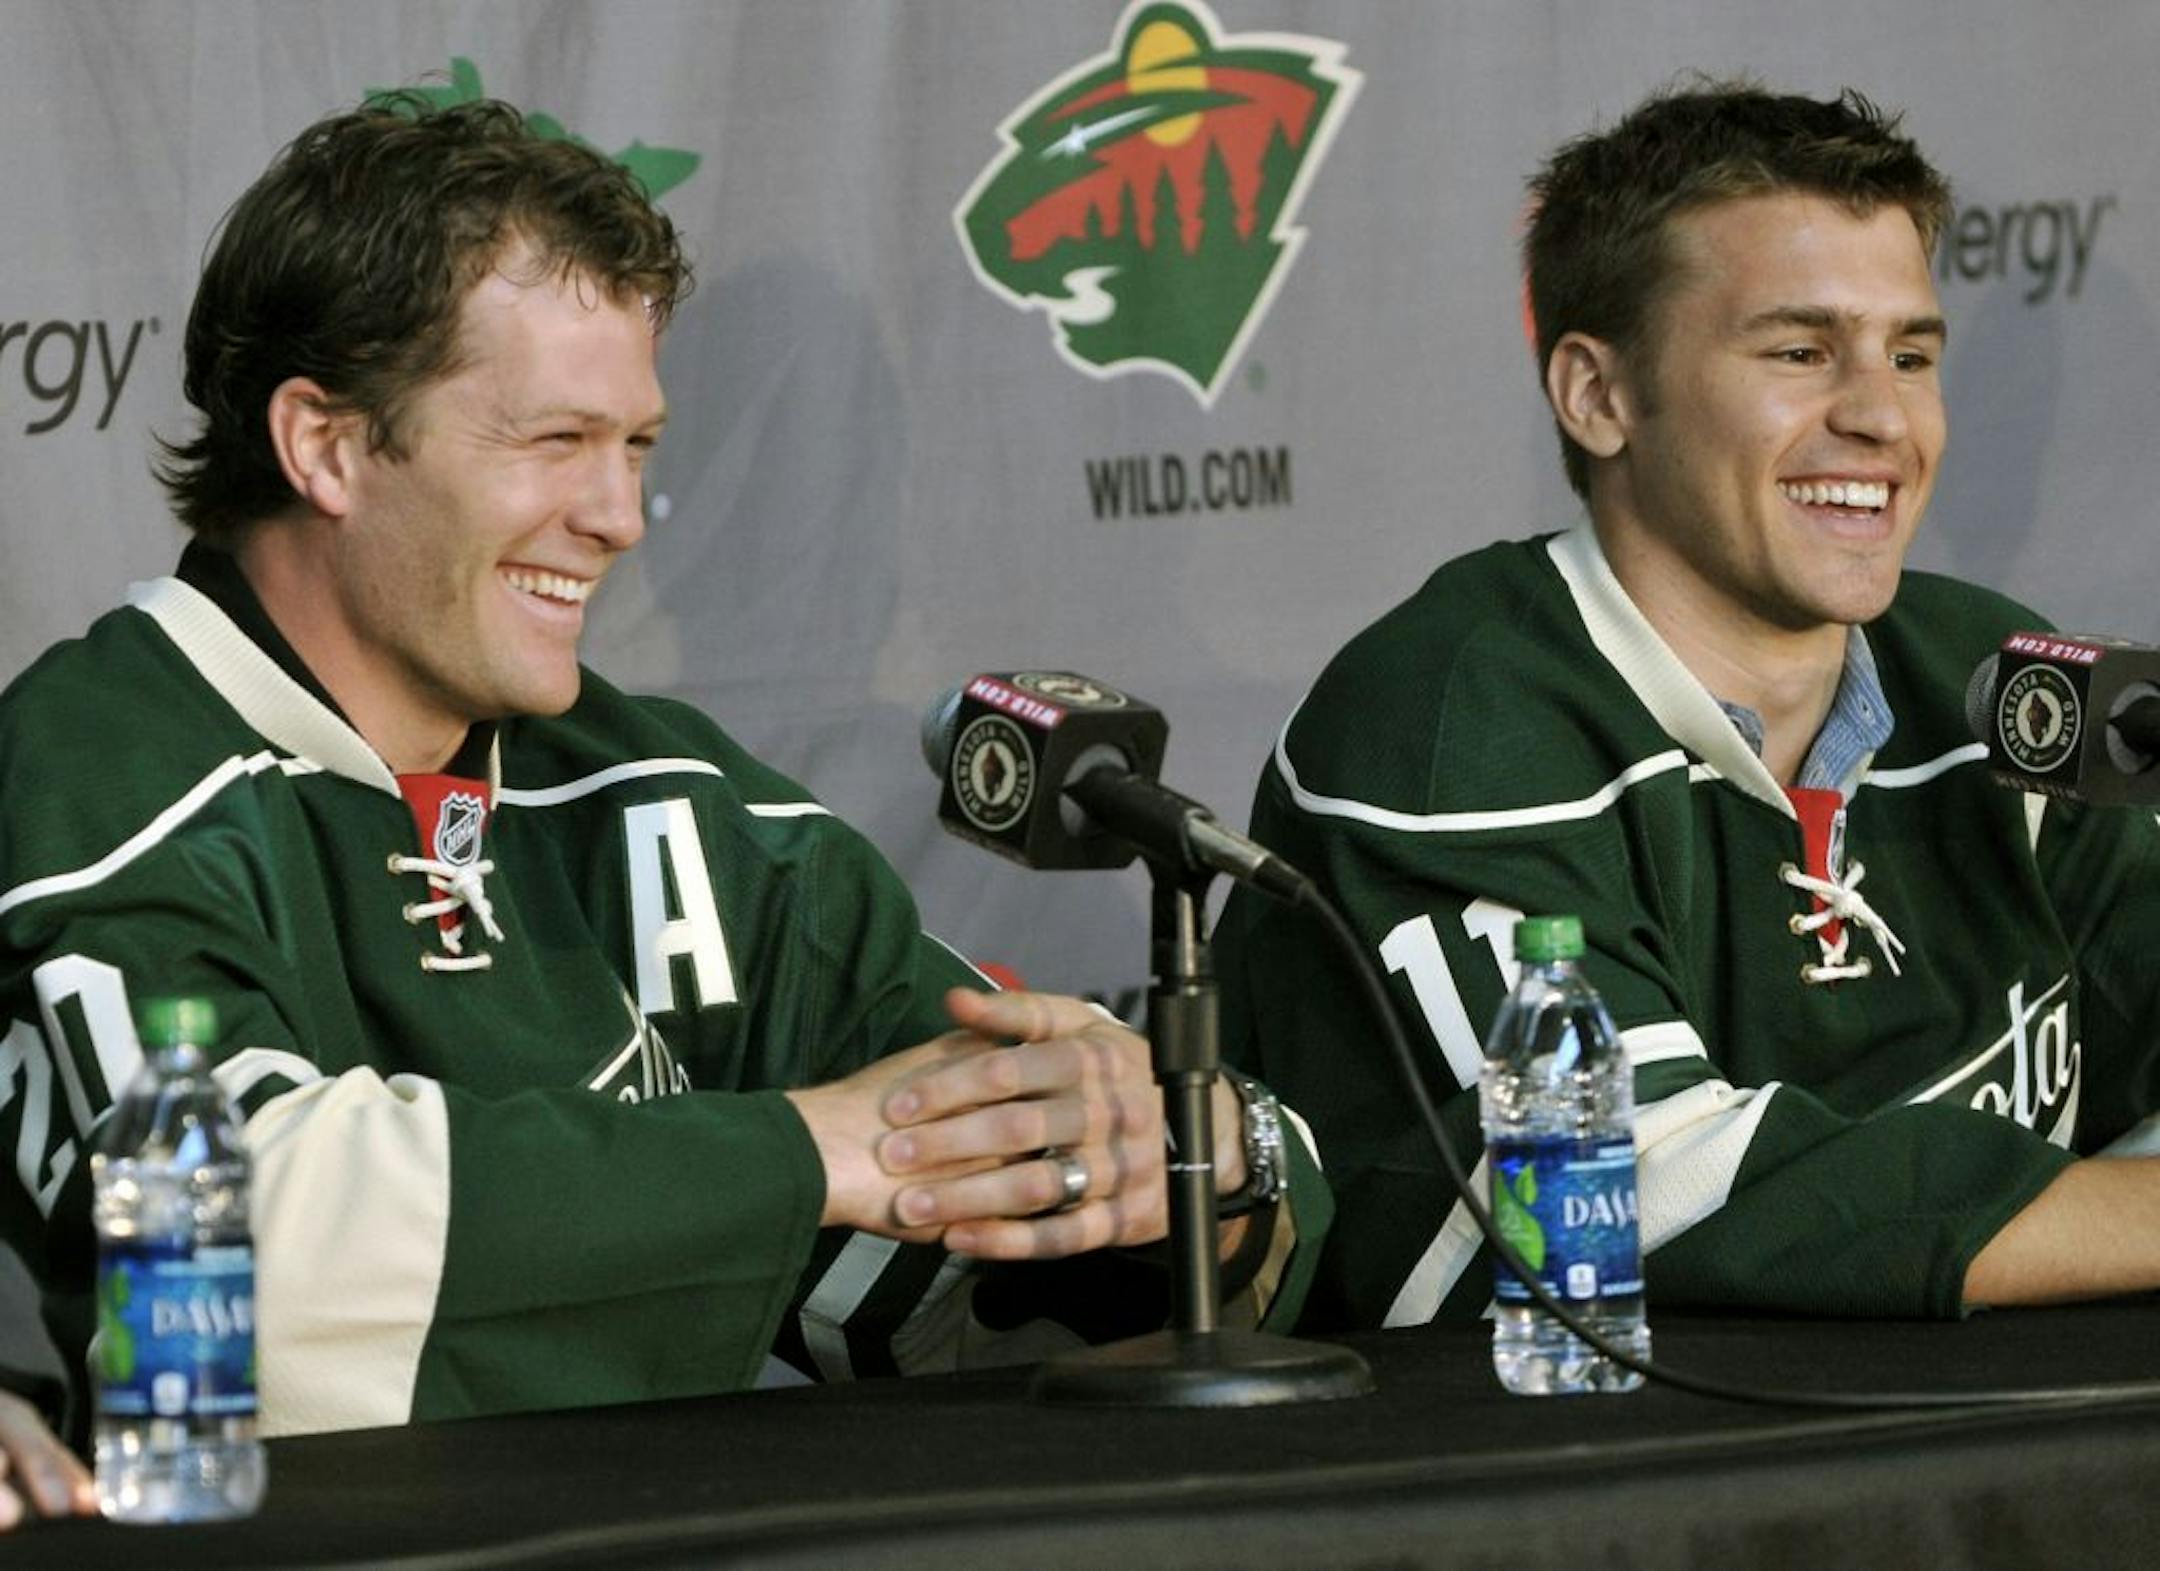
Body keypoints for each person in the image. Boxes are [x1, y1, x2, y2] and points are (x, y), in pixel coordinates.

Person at [0, 97, 1316, 1446]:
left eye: (636, 447)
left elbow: (981, 1247)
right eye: (553, 442)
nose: (620, 517)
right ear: (327, 445)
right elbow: (226, 1256)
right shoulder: (97, 768)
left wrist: (1181, 1160)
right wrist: (802, 1154)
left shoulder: (660, 791)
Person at [1216, 80, 2160, 1333]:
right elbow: (1634, 1187)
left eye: (1912, 354)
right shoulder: (1451, 716)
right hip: (1547, 1495)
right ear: (1598, 396)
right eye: (1799, 351)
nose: (1882, 416)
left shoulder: (1995, 673)